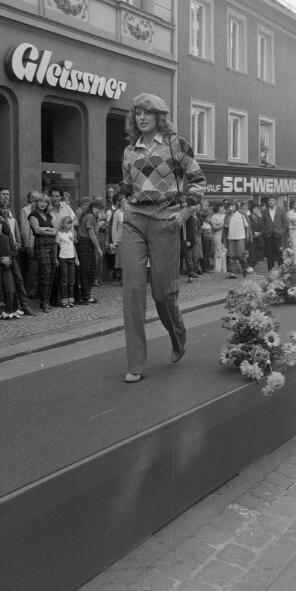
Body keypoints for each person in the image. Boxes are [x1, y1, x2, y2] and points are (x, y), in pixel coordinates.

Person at [120, 93, 205, 383]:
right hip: (133, 221)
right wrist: (124, 204)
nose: (142, 117)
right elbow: (127, 186)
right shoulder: (129, 150)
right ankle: (135, 364)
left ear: (160, 117)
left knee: (163, 294)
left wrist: (183, 215)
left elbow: (198, 181)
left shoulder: (175, 145)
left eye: (148, 112)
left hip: (166, 221)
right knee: (131, 291)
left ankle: (178, 336)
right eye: (138, 113)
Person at [0, 187, 36, 316]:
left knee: (18, 279)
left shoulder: (12, 213)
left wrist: (17, 245)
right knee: (5, 283)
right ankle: (9, 307)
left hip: (13, 252)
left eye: (8, 194)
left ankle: (24, 305)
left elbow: (16, 230)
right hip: (2, 255)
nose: (6, 197)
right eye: (3, 194)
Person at [29, 193, 58, 313]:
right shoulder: (33, 215)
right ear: (36, 202)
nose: (42, 204)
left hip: (51, 245)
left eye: (45, 202)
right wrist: (49, 230)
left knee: (52, 272)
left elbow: (56, 230)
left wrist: (46, 229)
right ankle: (44, 302)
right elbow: (37, 230)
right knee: (46, 272)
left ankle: (45, 300)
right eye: (40, 201)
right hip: (41, 245)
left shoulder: (49, 216)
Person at [77, 198, 104, 304]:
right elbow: (91, 233)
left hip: (87, 244)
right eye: (95, 207)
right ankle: (85, 295)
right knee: (87, 271)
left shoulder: (93, 217)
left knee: (91, 270)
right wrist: (98, 248)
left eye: (99, 208)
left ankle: (86, 294)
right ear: (91, 207)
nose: (97, 210)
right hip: (85, 243)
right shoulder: (90, 217)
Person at [222, 199, 252, 279]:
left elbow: (247, 225)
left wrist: (248, 236)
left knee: (240, 255)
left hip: (240, 237)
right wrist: (228, 214)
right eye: (230, 206)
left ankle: (245, 268)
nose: (231, 207)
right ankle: (232, 273)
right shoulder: (228, 215)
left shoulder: (242, 214)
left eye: (233, 205)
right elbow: (225, 226)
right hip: (231, 237)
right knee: (232, 256)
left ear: (236, 206)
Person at [19, 190, 39, 299]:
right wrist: (27, 245)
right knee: (32, 268)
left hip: (39, 242)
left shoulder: (39, 209)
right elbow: (24, 229)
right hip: (31, 243)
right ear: (29, 199)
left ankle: (36, 290)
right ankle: (30, 291)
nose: (36, 201)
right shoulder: (25, 210)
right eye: (34, 198)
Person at [56, 216, 78, 307]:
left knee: (71, 280)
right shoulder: (59, 234)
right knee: (64, 279)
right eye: (68, 223)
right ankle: (64, 298)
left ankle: (71, 297)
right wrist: (55, 258)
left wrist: (76, 257)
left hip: (71, 257)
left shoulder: (70, 233)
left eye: (70, 223)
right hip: (63, 258)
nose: (70, 225)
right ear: (63, 224)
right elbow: (55, 246)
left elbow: (73, 245)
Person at [261, 196, 289, 270]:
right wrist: (265, 230)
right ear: (268, 202)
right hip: (269, 234)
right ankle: (270, 270)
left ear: (275, 201)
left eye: (272, 200)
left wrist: (282, 231)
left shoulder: (281, 210)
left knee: (279, 252)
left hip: (278, 234)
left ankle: (281, 269)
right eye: (269, 200)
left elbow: (285, 221)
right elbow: (262, 223)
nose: (270, 202)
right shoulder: (265, 211)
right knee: (270, 254)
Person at [110, 195, 126, 283]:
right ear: (119, 202)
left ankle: (127, 278)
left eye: (125, 201)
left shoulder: (129, 212)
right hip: (120, 238)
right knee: (122, 259)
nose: (124, 203)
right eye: (123, 201)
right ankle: (122, 278)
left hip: (129, 238)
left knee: (128, 258)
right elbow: (114, 227)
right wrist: (114, 241)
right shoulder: (117, 212)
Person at [210, 202, 226, 272]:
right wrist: (222, 226)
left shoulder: (225, 216)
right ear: (218, 208)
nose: (222, 208)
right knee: (218, 252)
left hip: (224, 235)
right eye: (221, 207)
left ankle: (224, 268)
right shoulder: (214, 216)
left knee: (224, 252)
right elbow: (214, 227)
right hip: (217, 235)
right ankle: (217, 268)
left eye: (223, 207)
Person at [248, 204, 265, 269]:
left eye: (258, 209)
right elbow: (246, 228)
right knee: (250, 256)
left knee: (257, 257)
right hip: (251, 239)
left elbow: (264, 228)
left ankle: (252, 268)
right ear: (252, 210)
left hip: (258, 239)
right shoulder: (248, 218)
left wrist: (260, 233)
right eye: (255, 209)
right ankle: (249, 268)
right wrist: (253, 232)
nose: (257, 210)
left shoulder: (260, 218)